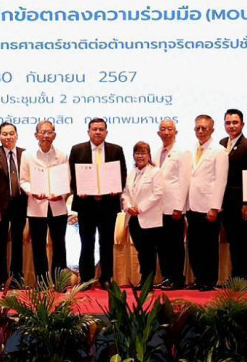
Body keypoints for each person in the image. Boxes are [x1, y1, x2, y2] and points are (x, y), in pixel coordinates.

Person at [69, 118, 126, 289]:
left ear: (106, 132)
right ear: (88, 131)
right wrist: (78, 190)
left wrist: (117, 189)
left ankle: (106, 278)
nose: (98, 132)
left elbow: (122, 175)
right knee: (87, 242)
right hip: (86, 204)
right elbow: (71, 176)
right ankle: (86, 279)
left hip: (108, 204)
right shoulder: (77, 150)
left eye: (101, 129)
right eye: (94, 129)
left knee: (106, 243)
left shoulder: (116, 150)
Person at [20, 120, 69, 284]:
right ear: (36, 135)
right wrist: (33, 192)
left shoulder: (62, 155)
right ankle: (41, 282)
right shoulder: (27, 155)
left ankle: (59, 282)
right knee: (38, 246)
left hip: (57, 206)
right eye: (43, 132)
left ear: (54, 135)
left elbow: (67, 180)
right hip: (36, 206)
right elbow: (23, 180)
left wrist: (61, 194)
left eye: (49, 132)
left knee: (59, 245)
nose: (46, 136)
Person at [185, 115, 228, 291]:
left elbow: (221, 180)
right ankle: (198, 278)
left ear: (212, 130)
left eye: (204, 128)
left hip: (209, 205)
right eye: (198, 128)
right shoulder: (191, 149)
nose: (201, 131)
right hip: (192, 204)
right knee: (194, 245)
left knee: (209, 245)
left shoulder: (219, 151)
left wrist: (215, 207)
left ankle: (209, 280)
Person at [219, 109, 247, 282]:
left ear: (242, 124)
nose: (231, 126)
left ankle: (244, 276)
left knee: (242, 238)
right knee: (232, 239)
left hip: (240, 201)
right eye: (228, 123)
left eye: (235, 122)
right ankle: (235, 275)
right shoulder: (221, 143)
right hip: (224, 200)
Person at [0, 122, 27, 288]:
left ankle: (17, 278)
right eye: (4, 134)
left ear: (17, 136)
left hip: (20, 204)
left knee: (18, 242)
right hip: (0, 207)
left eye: (11, 133)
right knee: (0, 243)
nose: (8, 137)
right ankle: (1, 279)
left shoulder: (25, 154)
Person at [122, 141, 164, 288]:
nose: (140, 156)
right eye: (137, 153)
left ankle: (148, 282)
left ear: (149, 155)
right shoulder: (131, 173)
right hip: (133, 218)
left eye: (143, 153)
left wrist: (140, 208)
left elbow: (158, 194)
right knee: (141, 252)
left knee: (149, 252)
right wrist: (128, 207)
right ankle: (143, 279)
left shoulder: (155, 172)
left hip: (149, 218)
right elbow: (125, 193)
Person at [155, 119, 190, 289]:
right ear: (158, 133)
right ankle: (167, 276)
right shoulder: (156, 152)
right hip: (158, 207)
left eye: (170, 129)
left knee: (175, 244)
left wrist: (179, 207)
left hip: (174, 207)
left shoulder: (182, 152)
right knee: (162, 244)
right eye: (163, 129)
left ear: (175, 132)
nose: (166, 132)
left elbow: (184, 181)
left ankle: (177, 278)